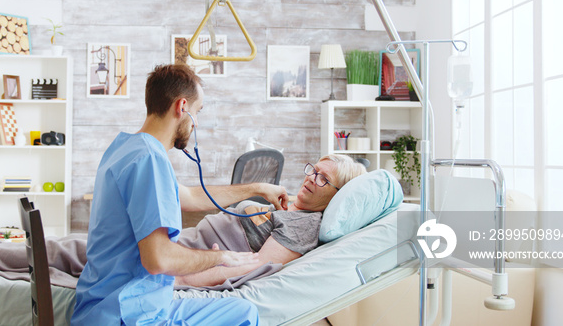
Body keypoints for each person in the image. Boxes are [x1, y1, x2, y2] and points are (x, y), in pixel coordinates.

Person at [71, 64, 288, 325]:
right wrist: (220, 258)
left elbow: (191, 197)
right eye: (197, 113)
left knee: (243, 311)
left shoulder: (127, 148)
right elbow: (158, 259)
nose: (195, 124)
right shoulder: (149, 159)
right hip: (127, 314)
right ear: (182, 106)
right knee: (244, 316)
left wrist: (257, 188)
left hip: (110, 304)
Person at [175, 154, 366, 288]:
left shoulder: (304, 225)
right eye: (313, 171)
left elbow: (256, 267)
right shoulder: (290, 202)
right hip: (182, 242)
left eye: (323, 178)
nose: (310, 179)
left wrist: (183, 281)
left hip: (185, 258)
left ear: (337, 195)